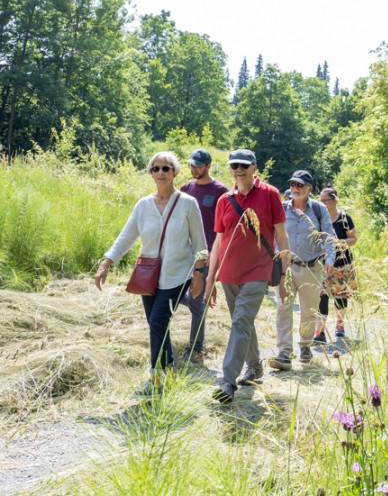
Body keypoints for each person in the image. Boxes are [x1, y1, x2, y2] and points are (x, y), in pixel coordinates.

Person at [95, 151, 207, 399]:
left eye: (166, 168)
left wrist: (198, 274)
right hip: (148, 275)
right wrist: (106, 262)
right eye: (155, 169)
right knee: (157, 325)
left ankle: (155, 381)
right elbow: (126, 237)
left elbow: (200, 243)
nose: (160, 173)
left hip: (178, 275)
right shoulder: (143, 205)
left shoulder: (188, 203)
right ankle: (167, 371)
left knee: (157, 322)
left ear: (175, 172)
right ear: (150, 173)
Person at [205, 149, 289, 403]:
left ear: (254, 167)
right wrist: (210, 278)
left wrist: (283, 278)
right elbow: (218, 242)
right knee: (244, 323)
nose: (238, 169)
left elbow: (282, 237)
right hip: (229, 273)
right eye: (234, 166)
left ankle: (227, 380)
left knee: (240, 321)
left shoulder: (270, 194)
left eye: (243, 165)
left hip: (258, 271)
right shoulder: (224, 200)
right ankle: (254, 366)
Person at [269, 170, 335, 370]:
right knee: (283, 309)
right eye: (292, 184)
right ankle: (283, 352)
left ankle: (305, 345)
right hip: (286, 268)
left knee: (308, 310)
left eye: (300, 185)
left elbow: (328, 235)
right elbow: (273, 235)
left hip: (311, 267)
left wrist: (329, 258)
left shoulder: (318, 209)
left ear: (309, 188)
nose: (295, 188)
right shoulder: (281, 208)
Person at [178, 148, 229, 363]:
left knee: (197, 301)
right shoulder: (184, 189)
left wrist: (215, 264)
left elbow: (224, 228)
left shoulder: (219, 191)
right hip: (182, 253)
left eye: (198, 165)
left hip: (206, 254)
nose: (194, 169)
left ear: (208, 166)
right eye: (191, 165)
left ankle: (196, 347)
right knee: (177, 295)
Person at [313, 187, 358, 342]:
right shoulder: (318, 218)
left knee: (340, 295)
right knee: (322, 295)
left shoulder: (344, 218)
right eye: (320, 200)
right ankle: (319, 332)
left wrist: (338, 242)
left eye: (325, 200)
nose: (322, 203)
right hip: (323, 264)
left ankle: (339, 324)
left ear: (334, 200)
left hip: (342, 264)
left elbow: (353, 239)